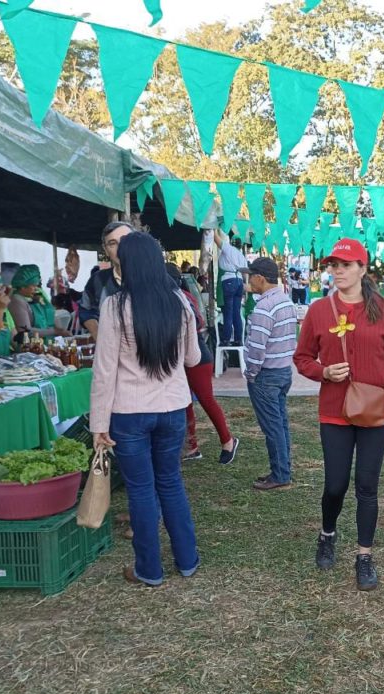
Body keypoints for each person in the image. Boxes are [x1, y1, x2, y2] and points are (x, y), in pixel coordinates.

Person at [294, 238, 384, 591]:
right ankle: (327, 533)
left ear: (363, 269)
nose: (338, 271)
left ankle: (364, 556)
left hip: (378, 410)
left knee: (366, 485)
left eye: (346, 265)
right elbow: (302, 358)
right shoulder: (319, 310)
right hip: (335, 410)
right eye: (334, 265)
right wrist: (323, 372)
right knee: (335, 484)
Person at [90, 232, 202, 587]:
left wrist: (98, 424)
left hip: (129, 412)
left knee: (141, 489)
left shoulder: (114, 306)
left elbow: (104, 371)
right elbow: (193, 358)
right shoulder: (179, 302)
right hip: (172, 408)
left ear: (125, 265)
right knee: (171, 482)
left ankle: (149, 570)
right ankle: (187, 560)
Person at [162, 264, 239, 465]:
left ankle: (228, 441)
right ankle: (191, 447)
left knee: (206, 400)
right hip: (184, 356)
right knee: (185, 402)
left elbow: (195, 325)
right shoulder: (183, 296)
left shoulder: (179, 298)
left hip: (196, 357)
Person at [241, 257, 298, 490]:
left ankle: (280, 474)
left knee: (273, 428)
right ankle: (283, 469)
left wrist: (251, 373)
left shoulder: (264, 307)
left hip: (266, 375)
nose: (248, 280)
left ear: (260, 278)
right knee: (280, 424)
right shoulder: (285, 301)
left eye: (250, 276)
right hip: (283, 371)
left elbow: (257, 348)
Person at [79, 222, 133, 340]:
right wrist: (98, 334)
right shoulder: (98, 280)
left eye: (125, 240)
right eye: (112, 243)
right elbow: (85, 310)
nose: (120, 248)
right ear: (106, 250)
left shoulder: (156, 279)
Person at [9, 265, 68, 343]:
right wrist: (55, 331)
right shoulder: (16, 300)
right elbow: (26, 331)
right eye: (33, 286)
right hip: (30, 347)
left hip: (45, 343)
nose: (36, 288)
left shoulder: (33, 296)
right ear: (23, 286)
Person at [212, 230, 248, 346]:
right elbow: (245, 274)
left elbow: (216, 238)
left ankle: (226, 339)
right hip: (239, 281)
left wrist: (213, 227)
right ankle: (238, 339)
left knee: (228, 312)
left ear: (231, 242)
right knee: (236, 312)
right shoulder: (242, 256)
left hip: (229, 280)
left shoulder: (228, 249)